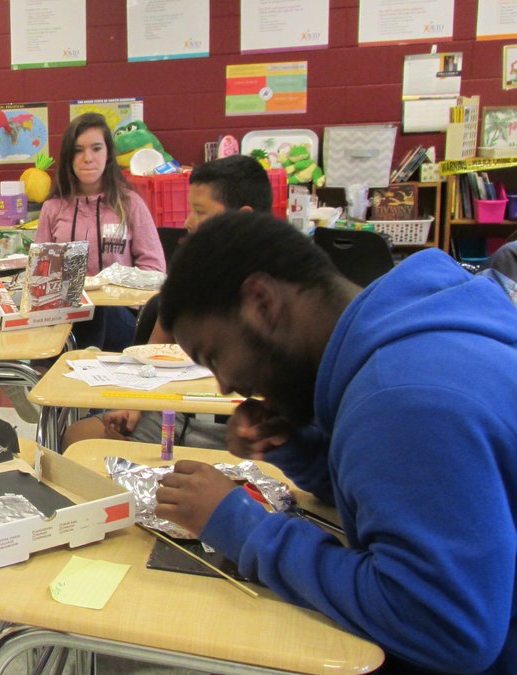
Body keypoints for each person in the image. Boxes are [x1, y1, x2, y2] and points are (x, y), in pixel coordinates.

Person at [153, 212, 516, 673]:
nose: (225, 386)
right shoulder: (417, 327)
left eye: (215, 357)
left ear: (262, 303)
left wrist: (247, 531)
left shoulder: (400, 397)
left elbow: (445, 627)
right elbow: (412, 495)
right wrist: (303, 450)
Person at [61, 154, 273, 449]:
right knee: (76, 438)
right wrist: (135, 403)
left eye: (200, 212)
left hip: (241, 432)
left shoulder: (272, 291)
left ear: (244, 218)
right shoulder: (197, 269)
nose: (187, 222)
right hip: (176, 418)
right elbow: (156, 347)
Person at [35, 112, 165, 352]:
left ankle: (80, 366)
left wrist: (110, 286)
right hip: (66, 316)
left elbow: (155, 272)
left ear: (108, 155)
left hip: (120, 315)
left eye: (96, 148)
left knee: (98, 311)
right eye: (78, 150)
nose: (88, 158)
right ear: (68, 157)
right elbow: (40, 274)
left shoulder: (130, 204)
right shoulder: (53, 208)